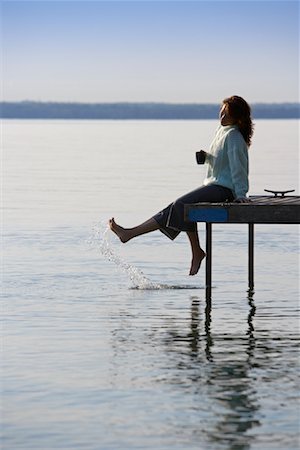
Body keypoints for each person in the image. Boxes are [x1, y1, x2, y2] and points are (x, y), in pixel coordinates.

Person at [109, 95, 254, 276]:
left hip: (225, 190)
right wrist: (207, 157)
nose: (221, 116)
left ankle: (131, 234)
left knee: (180, 205)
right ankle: (194, 251)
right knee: (179, 207)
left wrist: (241, 194)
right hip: (214, 186)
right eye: (221, 111)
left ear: (237, 117)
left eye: (226, 113)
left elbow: (238, 167)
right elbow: (222, 161)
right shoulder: (222, 131)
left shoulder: (233, 135)